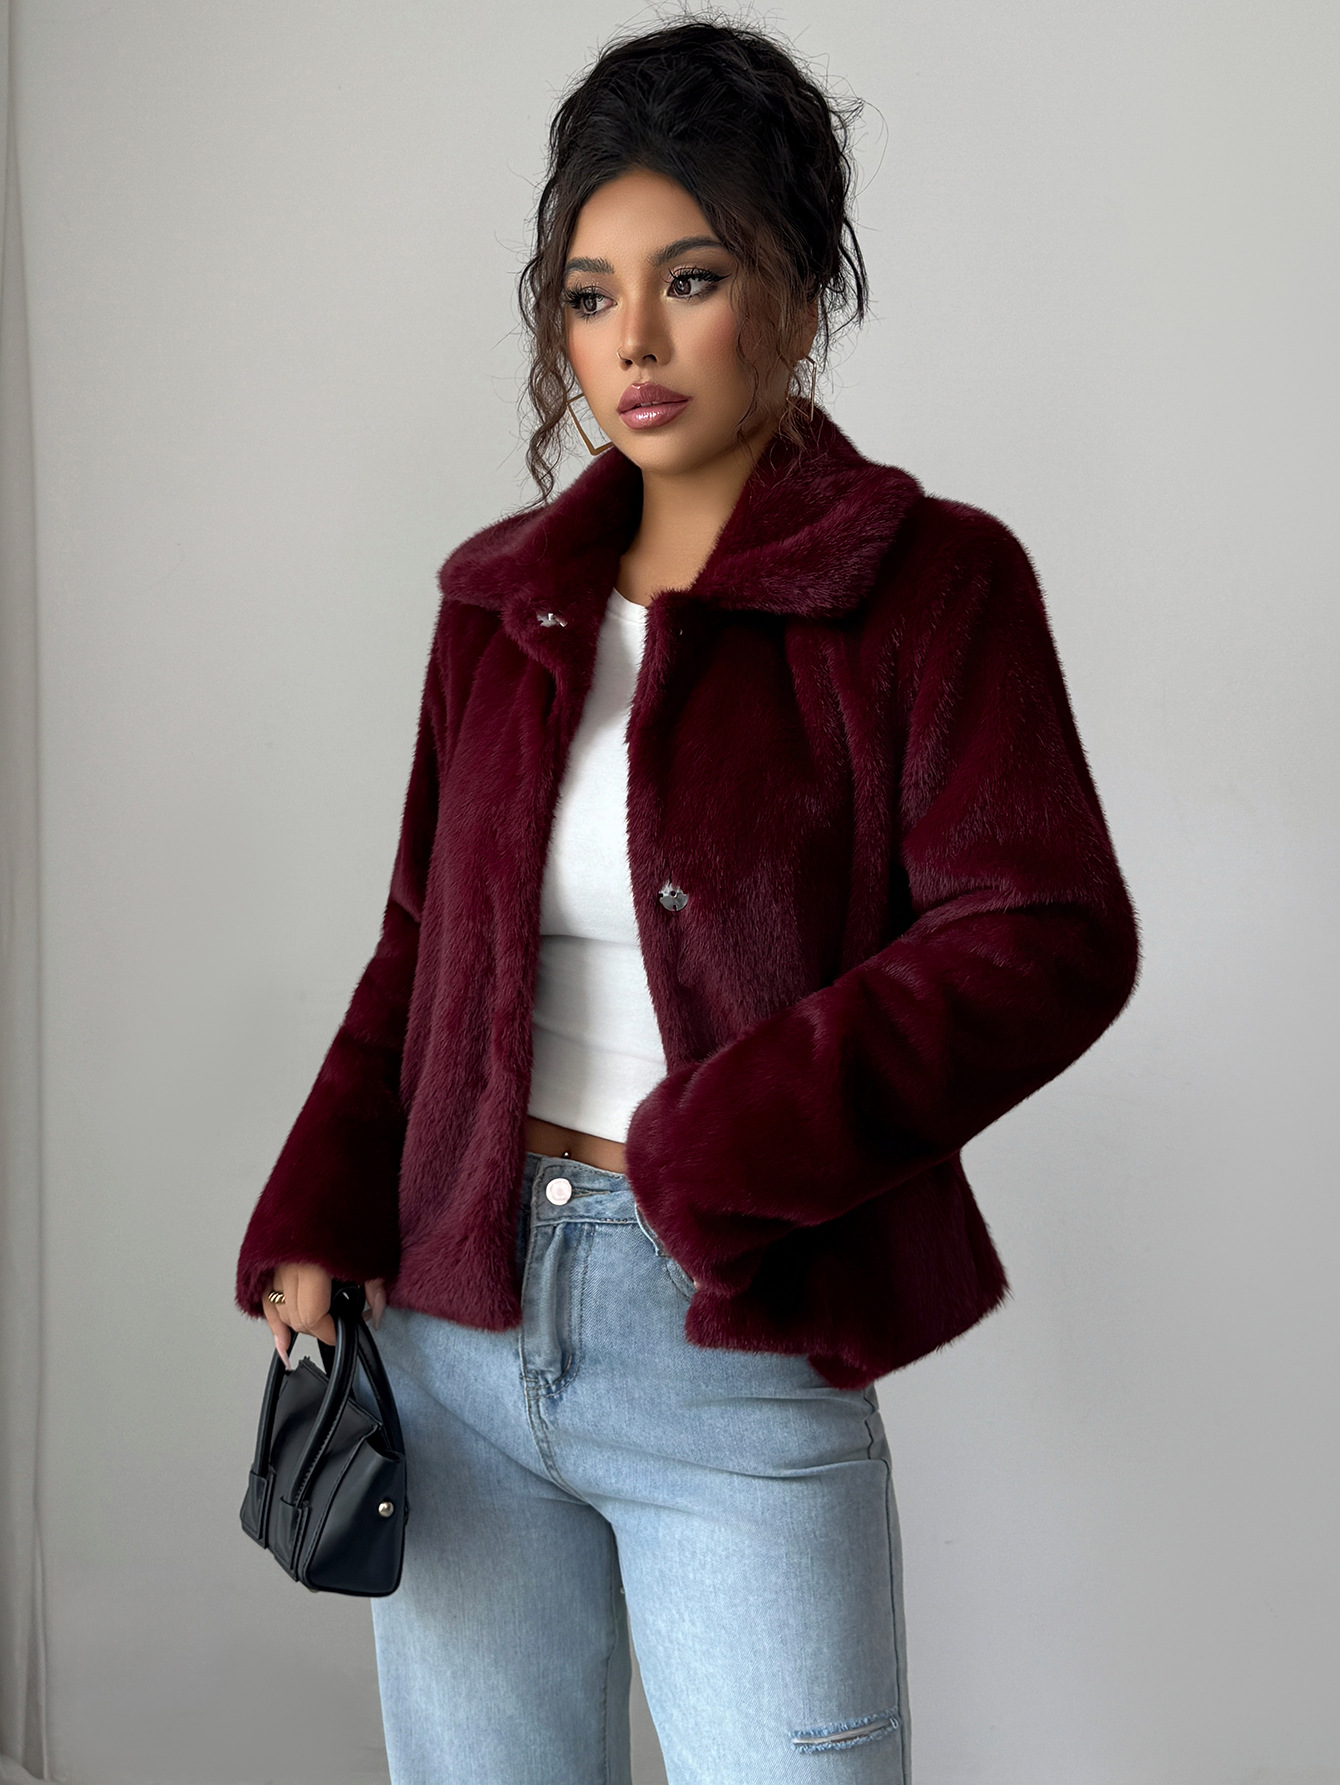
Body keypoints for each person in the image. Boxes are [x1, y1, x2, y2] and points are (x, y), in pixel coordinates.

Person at [235, 18, 1139, 1784]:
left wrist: (721, 1149)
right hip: (451, 1317)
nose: (633, 342)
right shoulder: (499, 610)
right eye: (590, 296)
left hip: (732, 1331)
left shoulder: (930, 585)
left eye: (692, 278)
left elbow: (1046, 930)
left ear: (793, 292)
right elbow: (422, 946)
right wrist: (318, 1208)